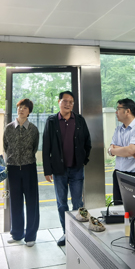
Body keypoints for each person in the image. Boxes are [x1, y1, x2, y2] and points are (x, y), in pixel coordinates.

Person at [43, 90, 92, 247]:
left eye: (71, 102)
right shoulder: (52, 121)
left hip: (76, 168)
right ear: (59, 102)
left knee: (78, 202)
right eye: (65, 101)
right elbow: (46, 146)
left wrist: (83, 160)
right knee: (61, 204)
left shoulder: (79, 120)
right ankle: (67, 233)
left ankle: (78, 233)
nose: (68, 104)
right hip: (59, 170)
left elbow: (87, 142)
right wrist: (47, 170)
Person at [4, 98, 40, 247]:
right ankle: (17, 233)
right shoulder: (8, 128)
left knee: (31, 202)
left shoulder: (33, 129)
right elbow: (6, 147)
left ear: (29, 112)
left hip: (29, 167)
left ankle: (30, 236)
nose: (21, 110)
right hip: (12, 168)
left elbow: (34, 148)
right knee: (15, 202)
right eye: (20, 107)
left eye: (25, 108)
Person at [108, 98, 135, 204]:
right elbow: (110, 149)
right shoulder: (118, 129)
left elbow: (130, 150)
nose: (116, 112)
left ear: (127, 111)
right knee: (118, 207)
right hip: (118, 173)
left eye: (118, 109)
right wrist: (123, 150)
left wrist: (116, 150)